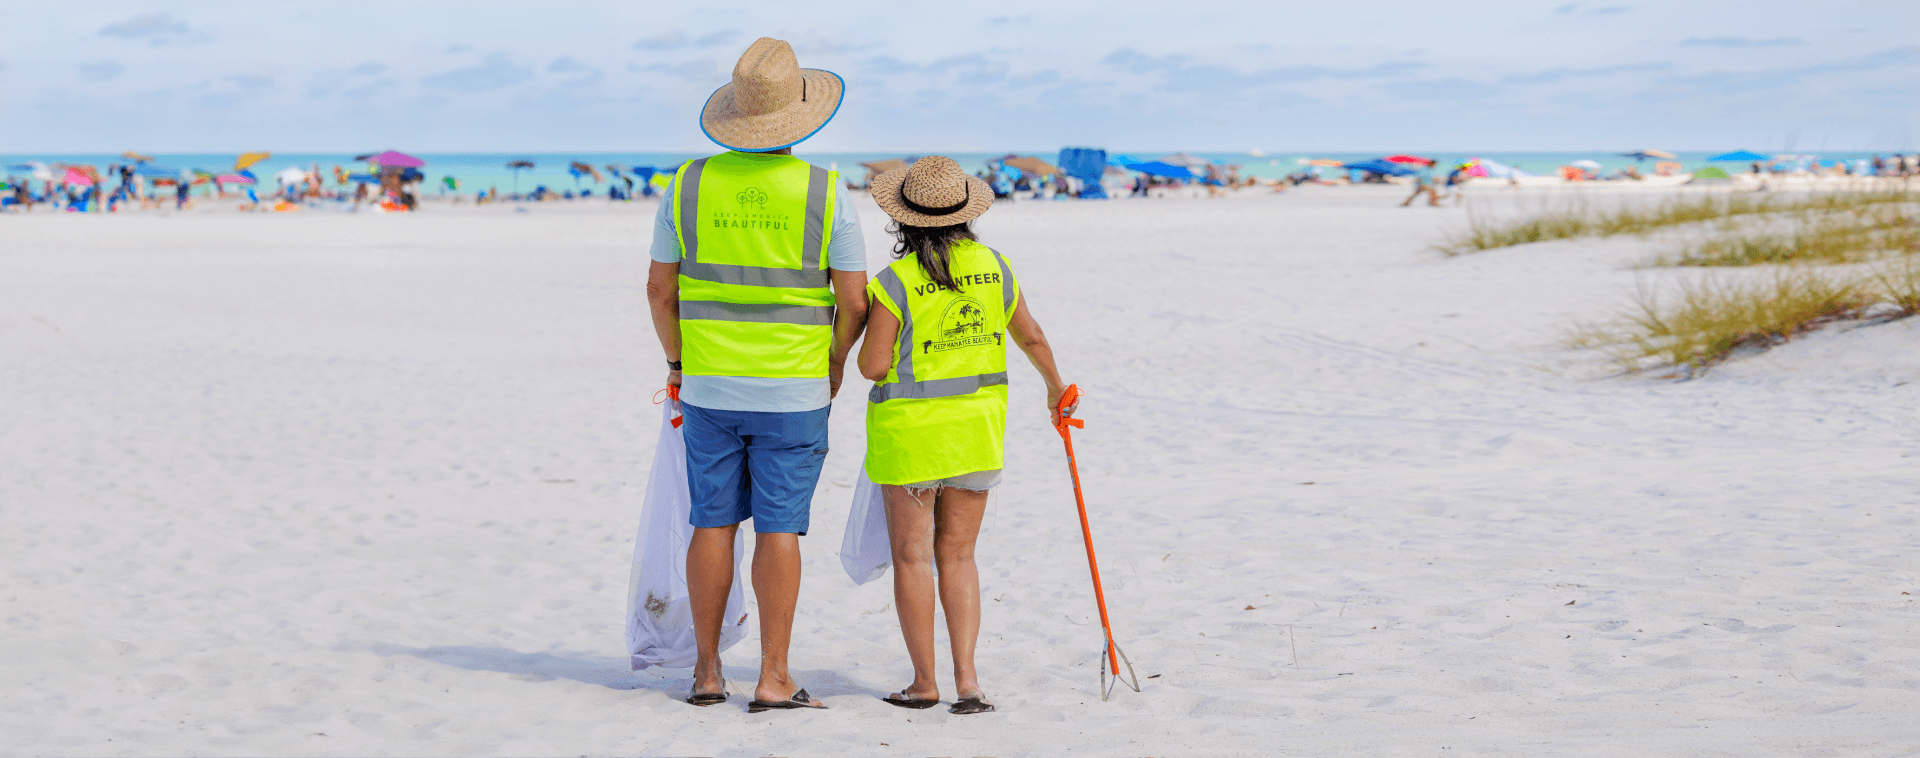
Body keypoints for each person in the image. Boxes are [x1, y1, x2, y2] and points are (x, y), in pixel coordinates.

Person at [644, 36, 867, 713]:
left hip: (710, 384)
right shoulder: (827, 192)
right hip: (795, 389)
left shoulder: (686, 183)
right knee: (779, 527)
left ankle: (707, 671)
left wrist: (679, 363)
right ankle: (773, 675)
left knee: (711, 523)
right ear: (799, 114)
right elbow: (854, 301)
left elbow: (660, 291)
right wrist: (832, 364)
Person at [857, 156, 1070, 716]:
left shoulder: (893, 281)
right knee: (959, 556)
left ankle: (925, 683)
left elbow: (873, 367)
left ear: (904, 220)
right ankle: (969, 682)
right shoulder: (995, 266)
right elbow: (1033, 337)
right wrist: (1055, 389)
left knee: (912, 558)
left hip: (910, 436)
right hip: (976, 431)